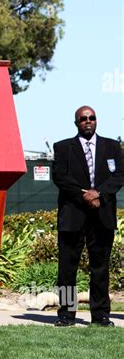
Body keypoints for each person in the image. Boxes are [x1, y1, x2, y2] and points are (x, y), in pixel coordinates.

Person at [52, 106, 123, 327]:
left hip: (102, 215)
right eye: (83, 119)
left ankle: (101, 315)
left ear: (96, 121)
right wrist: (85, 195)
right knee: (67, 267)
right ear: (77, 123)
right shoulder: (63, 148)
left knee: (100, 268)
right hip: (73, 215)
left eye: (91, 118)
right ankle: (66, 315)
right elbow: (60, 178)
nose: (88, 121)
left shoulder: (112, 146)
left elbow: (120, 174)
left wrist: (99, 193)